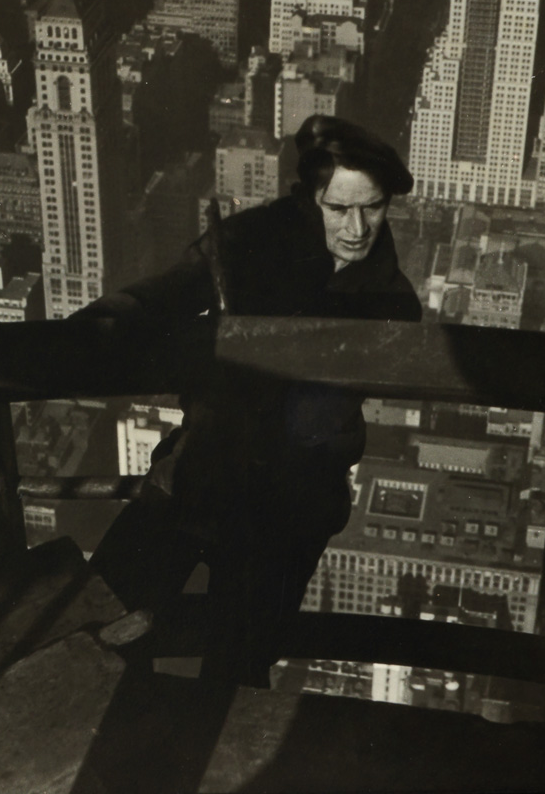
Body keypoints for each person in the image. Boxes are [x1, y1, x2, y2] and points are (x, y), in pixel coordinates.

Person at [79, 114, 422, 686]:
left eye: (373, 207)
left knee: (240, 662)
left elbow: (320, 416)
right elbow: (172, 287)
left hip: (287, 508)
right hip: (200, 470)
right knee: (100, 610)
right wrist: (107, 321)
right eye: (339, 208)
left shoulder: (390, 302)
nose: (358, 227)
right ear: (310, 199)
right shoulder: (252, 240)